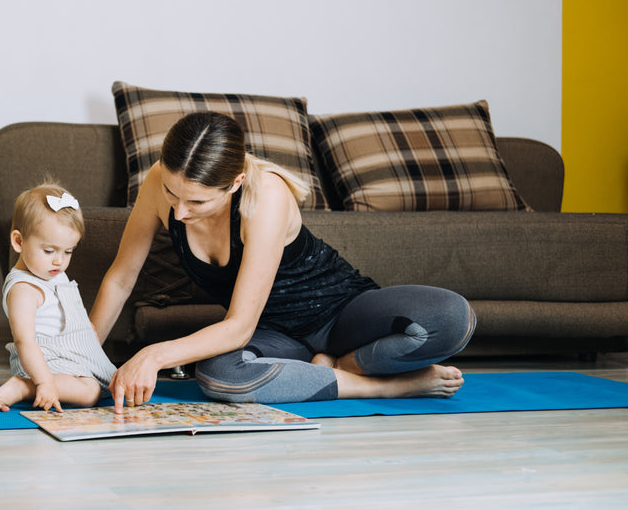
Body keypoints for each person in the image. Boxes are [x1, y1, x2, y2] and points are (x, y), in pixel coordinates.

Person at [89, 111, 476, 413]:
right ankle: (384, 385)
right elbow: (121, 279)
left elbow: (237, 327)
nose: (179, 213)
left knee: (453, 317)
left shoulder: (267, 195)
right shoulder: (160, 179)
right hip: (275, 335)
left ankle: (349, 366)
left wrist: (153, 355)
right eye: (174, 195)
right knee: (218, 377)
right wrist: (80, 359)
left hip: (340, 314)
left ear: (236, 183)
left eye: (198, 202)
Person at [0, 182, 116, 412]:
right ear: (19, 241)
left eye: (68, 251)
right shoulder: (23, 290)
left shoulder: (51, 271)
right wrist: (44, 381)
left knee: (112, 383)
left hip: (71, 353)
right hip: (44, 360)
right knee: (90, 393)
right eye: (49, 251)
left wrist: (87, 330)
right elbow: (25, 341)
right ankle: (24, 386)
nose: (59, 261)